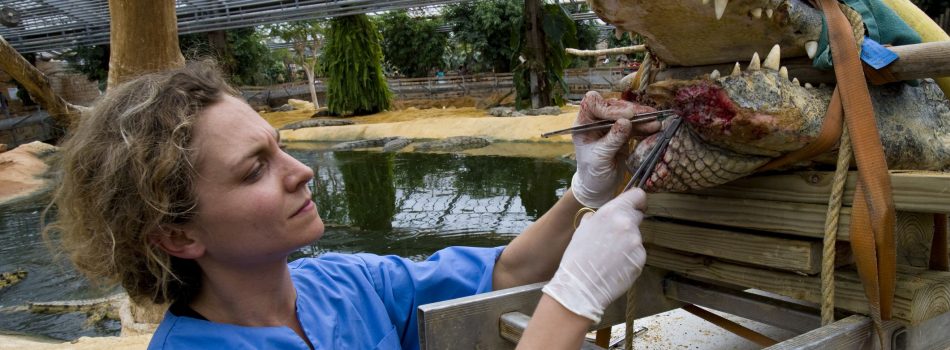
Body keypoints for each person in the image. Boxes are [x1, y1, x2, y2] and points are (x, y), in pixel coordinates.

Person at [43, 61, 659, 349]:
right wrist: (573, 302)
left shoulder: (339, 283)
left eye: (280, 147)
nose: (303, 170)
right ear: (178, 237)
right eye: (255, 168)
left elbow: (505, 273)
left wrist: (583, 192)